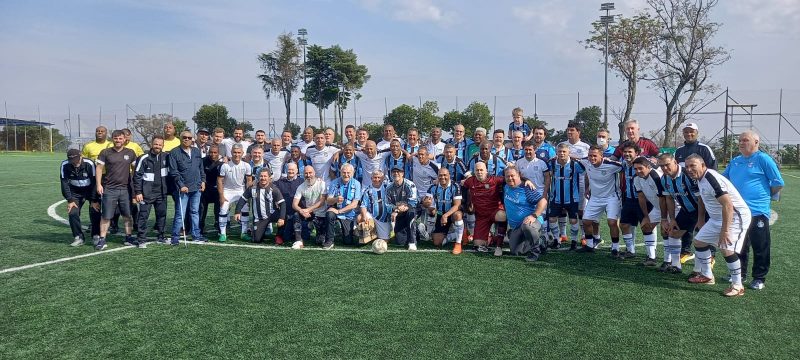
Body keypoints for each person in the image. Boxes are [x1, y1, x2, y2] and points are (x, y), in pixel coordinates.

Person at [722, 130, 784, 290]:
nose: (741, 143)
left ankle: (759, 277)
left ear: (756, 142)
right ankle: (739, 274)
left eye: (745, 140)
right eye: (740, 140)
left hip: (757, 211)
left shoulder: (763, 159)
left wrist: (763, 197)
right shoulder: (735, 161)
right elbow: (724, 180)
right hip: (738, 212)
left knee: (760, 245)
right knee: (740, 245)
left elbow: (778, 182)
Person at [684, 155, 751, 297]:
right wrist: (701, 219)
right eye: (687, 166)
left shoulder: (711, 178)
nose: (689, 169)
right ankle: (707, 276)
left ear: (703, 165)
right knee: (699, 242)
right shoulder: (697, 179)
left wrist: (725, 231)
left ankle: (738, 286)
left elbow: (728, 204)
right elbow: (701, 198)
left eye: (693, 166)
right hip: (716, 218)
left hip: (735, 217)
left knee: (726, 248)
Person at [658, 152, 703, 274]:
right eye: (661, 166)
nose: (664, 168)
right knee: (673, 232)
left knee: (701, 239)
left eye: (667, 165)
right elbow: (669, 198)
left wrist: (700, 219)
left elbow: (701, 198)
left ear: (675, 162)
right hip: (686, 210)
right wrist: (671, 219)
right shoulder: (664, 179)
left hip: (703, 210)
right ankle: (676, 265)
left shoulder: (688, 175)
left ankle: (698, 270)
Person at [95, 130, 138, 250]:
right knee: (106, 215)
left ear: (125, 139)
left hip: (125, 189)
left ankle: (128, 237)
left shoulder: (130, 152)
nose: (118, 140)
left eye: (120, 138)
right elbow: (99, 168)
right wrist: (99, 184)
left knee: (127, 215)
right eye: (115, 138)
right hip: (110, 188)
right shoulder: (105, 152)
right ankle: (102, 239)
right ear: (112, 139)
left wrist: (134, 185)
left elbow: (135, 169)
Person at [577, 146, 622, 253]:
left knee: (612, 222)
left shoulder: (611, 165)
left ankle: (615, 248)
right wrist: (588, 187)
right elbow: (576, 159)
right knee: (586, 221)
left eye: (594, 156)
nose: (591, 158)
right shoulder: (585, 162)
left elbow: (627, 166)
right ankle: (589, 245)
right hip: (595, 197)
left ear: (601, 156)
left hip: (612, 197)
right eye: (590, 155)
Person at [545, 143, 585, 250]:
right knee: (552, 218)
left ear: (569, 153)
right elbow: (546, 175)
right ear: (556, 152)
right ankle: (557, 240)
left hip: (572, 198)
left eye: (564, 152)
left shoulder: (575, 164)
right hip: (556, 197)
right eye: (559, 151)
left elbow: (588, 170)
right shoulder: (552, 163)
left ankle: (574, 241)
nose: (562, 154)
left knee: (573, 220)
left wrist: (588, 188)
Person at [632, 156, 671, 268]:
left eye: (640, 168)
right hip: (658, 207)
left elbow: (663, 198)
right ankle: (651, 258)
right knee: (646, 226)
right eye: (635, 169)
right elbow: (641, 197)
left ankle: (668, 261)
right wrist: (646, 216)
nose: (638, 171)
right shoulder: (636, 178)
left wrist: (664, 219)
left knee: (665, 231)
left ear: (648, 166)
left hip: (668, 207)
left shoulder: (656, 176)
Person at [168, 130, 206, 244]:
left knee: (195, 212)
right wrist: (181, 185)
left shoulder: (196, 151)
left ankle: (196, 235)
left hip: (196, 188)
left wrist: (203, 181)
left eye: (189, 138)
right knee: (180, 213)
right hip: (183, 189)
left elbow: (201, 168)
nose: (187, 139)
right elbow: (174, 172)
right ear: (180, 138)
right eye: (185, 137)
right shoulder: (174, 152)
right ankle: (175, 236)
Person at [503, 166, 548, 261]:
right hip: (516, 227)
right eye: (507, 176)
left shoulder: (526, 188)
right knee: (516, 251)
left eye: (512, 176)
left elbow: (543, 201)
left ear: (519, 175)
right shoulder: (506, 186)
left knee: (527, 226)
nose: (510, 178)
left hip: (530, 221)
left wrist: (534, 215)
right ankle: (539, 241)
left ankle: (535, 251)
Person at [462, 162, 507, 256]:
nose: (479, 172)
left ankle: (499, 245)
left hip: (494, 211)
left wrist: (526, 180)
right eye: (477, 170)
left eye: (481, 170)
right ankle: (492, 238)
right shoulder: (470, 181)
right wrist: (467, 203)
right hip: (481, 216)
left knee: (502, 216)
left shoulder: (495, 179)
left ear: (486, 171)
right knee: (478, 245)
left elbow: (511, 178)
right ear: (474, 171)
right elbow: (463, 187)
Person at [133, 136, 169, 246]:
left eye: (160, 144)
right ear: (151, 144)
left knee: (162, 215)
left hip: (161, 193)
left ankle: (161, 236)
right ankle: (141, 239)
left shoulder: (166, 157)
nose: (157, 146)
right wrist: (138, 192)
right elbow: (137, 176)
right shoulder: (143, 158)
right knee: (143, 216)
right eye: (156, 144)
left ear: (163, 146)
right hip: (146, 194)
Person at [61, 149, 101, 246]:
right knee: (72, 212)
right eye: (72, 161)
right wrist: (70, 200)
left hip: (90, 190)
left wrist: (94, 200)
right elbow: (64, 183)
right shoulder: (64, 165)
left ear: (81, 156)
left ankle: (96, 235)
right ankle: (78, 237)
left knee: (95, 211)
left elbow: (95, 183)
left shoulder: (89, 164)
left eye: (76, 160)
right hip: (75, 193)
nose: (74, 163)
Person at [235, 168, 286, 244]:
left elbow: (282, 203)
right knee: (257, 240)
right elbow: (243, 199)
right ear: (258, 177)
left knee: (286, 217)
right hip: (260, 218)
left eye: (265, 176)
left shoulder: (274, 189)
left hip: (272, 214)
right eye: (261, 176)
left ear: (269, 177)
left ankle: (278, 235)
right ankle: (257, 230)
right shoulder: (252, 188)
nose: (263, 178)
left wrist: (281, 218)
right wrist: (237, 211)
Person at [424, 167, 465, 255]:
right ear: (437, 177)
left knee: (458, 215)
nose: (443, 177)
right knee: (437, 243)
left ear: (449, 176)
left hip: (452, 214)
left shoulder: (455, 186)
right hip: (440, 214)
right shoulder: (432, 187)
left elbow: (457, 205)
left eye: (445, 175)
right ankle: (457, 233)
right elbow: (427, 203)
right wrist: (427, 204)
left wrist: (445, 215)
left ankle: (458, 243)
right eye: (440, 175)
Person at [216, 143, 252, 242]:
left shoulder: (246, 166)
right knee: (223, 210)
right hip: (227, 191)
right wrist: (221, 196)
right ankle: (223, 234)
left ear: (242, 153)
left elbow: (249, 181)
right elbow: (219, 181)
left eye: (239, 152)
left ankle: (243, 233)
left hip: (241, 191)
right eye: (234, 152)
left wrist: (247, 195)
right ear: (231, 153)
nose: (236, 154)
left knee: (245, 210)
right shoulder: (225, 166)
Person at [325, 163, 362, 247]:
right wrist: (335, 199)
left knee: (348, 242)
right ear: (340, 172)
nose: (346, 175)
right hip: (337, 209)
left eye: (348, 173)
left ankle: (340, 230)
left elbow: (354, 204)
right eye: (344, 172)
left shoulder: (357, 184)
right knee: (329, 214)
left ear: (353, 173)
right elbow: (329, 201)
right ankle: (329, 240)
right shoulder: (334, 183)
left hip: (348, 214)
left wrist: (338, 211)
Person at [617, 142, 644, 258]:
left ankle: (651, 255)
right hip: (629, 199)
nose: (627, 154)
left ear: (636, 153)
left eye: (630, 152)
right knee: (624, 224)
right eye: (625, 152)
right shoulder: (624, 164)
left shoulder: (643, 163)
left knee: (646, 226)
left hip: (643, 200)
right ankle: (630, 250)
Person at [291, 166, 328, 249]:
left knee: (320, 241)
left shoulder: (322, 184)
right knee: (296, 215)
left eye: (310, 173)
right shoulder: (301, 187)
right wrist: (301, 211)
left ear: (314, 173)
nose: (308, 175)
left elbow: (322, 202)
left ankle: (312, 227)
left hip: (320, 214)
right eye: (306, 173)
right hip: (308, 213)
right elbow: (294, 204)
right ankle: (298, 241)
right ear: (303, 174)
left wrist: (307, 209)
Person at [386, 166, 418, 250]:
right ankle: (418, 231)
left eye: (398, 172)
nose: (396, 173)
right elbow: (387, 204)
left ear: (403, 173)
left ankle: (412, 242)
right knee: (400, 241)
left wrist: (400, 209)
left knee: (411, 213)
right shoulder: (389, 188)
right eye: (394, 172)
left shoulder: (410, 185)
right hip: (399, 214)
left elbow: (413, 202)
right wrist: (395, 210)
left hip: (411, 211)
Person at [359, 170, 393, 246]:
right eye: (375, 177)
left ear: (382, 178)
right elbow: (363, 206)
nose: (377, 179)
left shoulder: (387, 187)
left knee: (384, 242)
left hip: (384, 219)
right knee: (359, 217)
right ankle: (366, 235)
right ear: (371, 178)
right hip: (371, 217)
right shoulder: (367, 190)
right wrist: (364, 217)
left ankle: (379, 233)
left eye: (379, 177)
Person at [275, 162, 304, 245]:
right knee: (286, 237)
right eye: (289, 169)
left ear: (297, 171)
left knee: (306, 236)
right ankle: (279, 235)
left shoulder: (302, 182)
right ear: (286, 170)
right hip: (285, 213)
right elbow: (270, 187)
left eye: (293, 169)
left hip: (298, 213)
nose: (291, 171)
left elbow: (312, 182)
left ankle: (297, 234)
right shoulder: (280, 182)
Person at [200, 144, 222, 236]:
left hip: (217, 190)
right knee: (202, 209)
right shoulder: (203, 161)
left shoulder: (222, 163)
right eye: (211, 152)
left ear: (218, 153)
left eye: (215, 152)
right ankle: (200, 227)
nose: (213, 154)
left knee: (218, 210)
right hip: (205, 189)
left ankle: (219, 226)